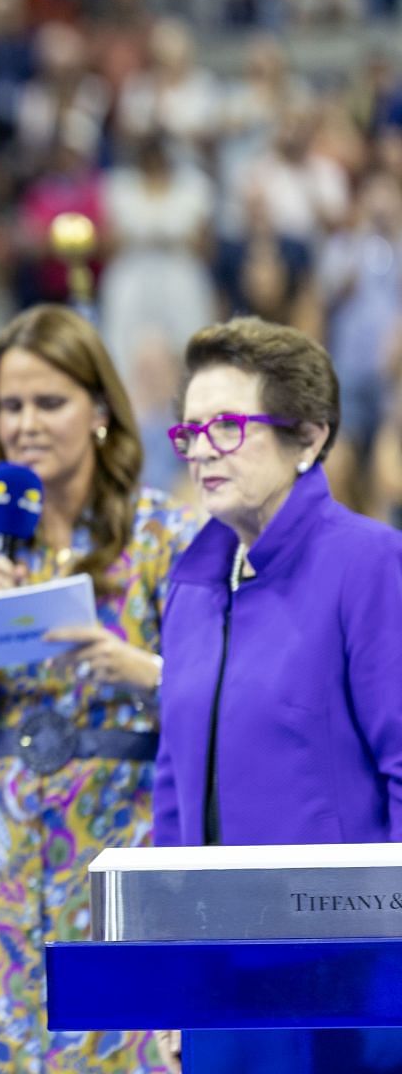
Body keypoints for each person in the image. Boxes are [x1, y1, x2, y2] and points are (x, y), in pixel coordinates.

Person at [0, 305, 192, 1074]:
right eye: (10, 406)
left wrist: (135, 670)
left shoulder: (165, 537)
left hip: (123, 850)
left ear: (100, 412)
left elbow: (221, 708)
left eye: (49, 403)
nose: (26, 425)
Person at [155, 318, 402, 1071]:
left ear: (309, 438)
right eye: (190, 431)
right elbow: (171, 791)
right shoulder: (189, 587)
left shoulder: (370, 563)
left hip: (347, 983)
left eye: (227, 426)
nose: (201, 449)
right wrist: (171, 976)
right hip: (218, 983)